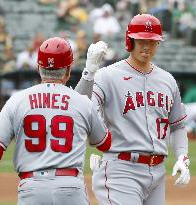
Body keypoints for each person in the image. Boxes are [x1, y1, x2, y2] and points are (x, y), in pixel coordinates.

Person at [0, 37, 111, 205]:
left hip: (31, 188)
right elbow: (104, 144)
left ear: (39, 67)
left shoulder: (17, 99)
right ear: (68, 69)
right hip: (70, 188)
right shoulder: (82, 101)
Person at [75, 14, 190, 205]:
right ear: (130, 41)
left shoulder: (167, 80)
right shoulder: (108, 75)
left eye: (152, 42)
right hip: (122, 169)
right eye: (141, 40)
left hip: (157, 172)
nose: (147, 46)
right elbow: (78, 107)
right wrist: (88, 74)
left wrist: (182, 156)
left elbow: (178, 125)